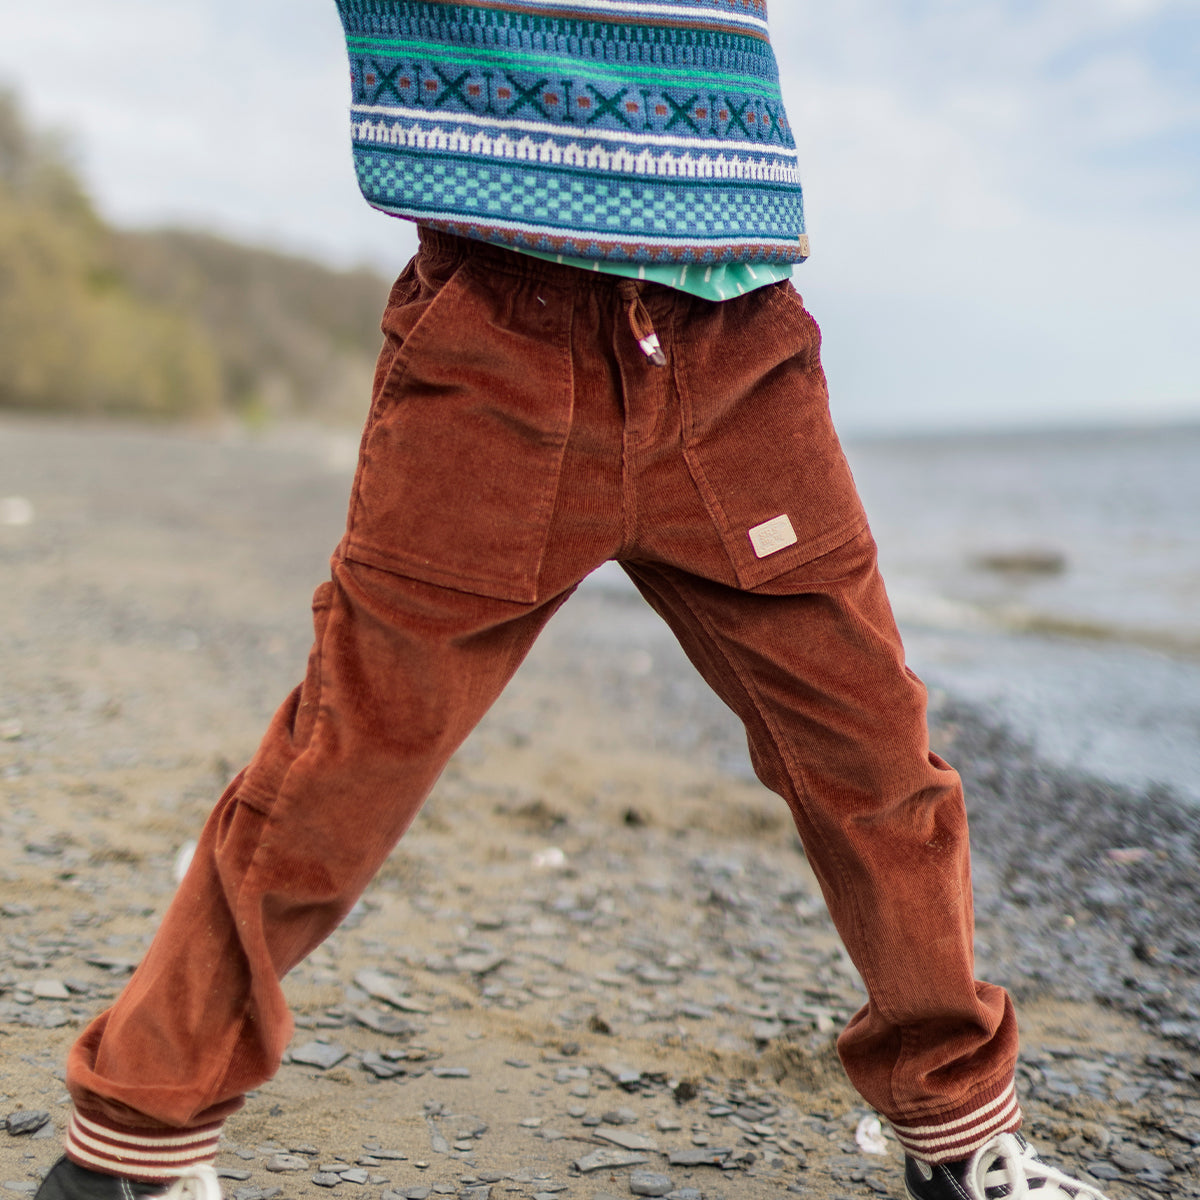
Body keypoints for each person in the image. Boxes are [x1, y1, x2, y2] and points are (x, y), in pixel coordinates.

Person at [36, 5, 1110, 1200]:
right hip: (500, 351)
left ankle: (961, 1137)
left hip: (739, 348)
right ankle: (132, 1147)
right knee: (342, 768)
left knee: (875, 755)